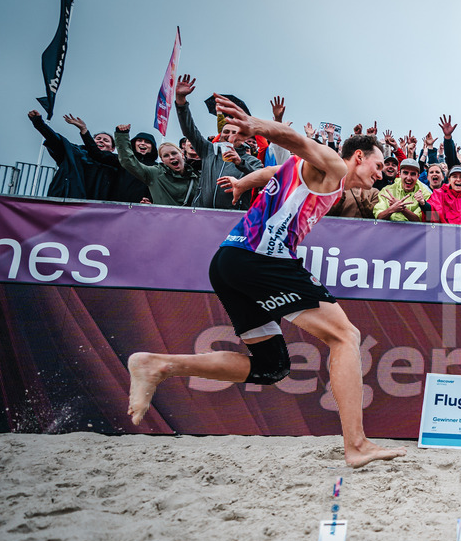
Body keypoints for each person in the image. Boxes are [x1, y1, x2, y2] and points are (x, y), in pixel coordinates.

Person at [127, 94, 405, 469]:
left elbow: (268, 174)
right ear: (359, 156)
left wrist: (243, 185)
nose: (381, 171)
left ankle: (157, 365)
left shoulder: (308, 172)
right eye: (379, 163)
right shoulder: (334, 166)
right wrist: (257, 126)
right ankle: (356, 444)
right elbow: (297, 140)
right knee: (345, 337)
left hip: (229, 261)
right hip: (262, 258)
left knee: (270, 367)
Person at [174, 73, 263, 209]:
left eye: (234, 132)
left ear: (242, 137)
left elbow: (261, 180)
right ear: (220, 135)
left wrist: (240, 163)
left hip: (233, 218)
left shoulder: (251, 161)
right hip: (201, 214)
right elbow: (189, 130)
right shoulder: (208, 150)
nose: (229, 135)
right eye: (226, 132)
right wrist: (181, 101)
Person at [113, 125, 199, 206]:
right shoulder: (155, 173)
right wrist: (122, 136)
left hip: (189, 221)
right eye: (166, 155)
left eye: (174, 153)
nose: (171, 157)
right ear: (162, 161)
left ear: (182, 155)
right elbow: (128, 162)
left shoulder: (196, 177)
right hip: (161, 220)